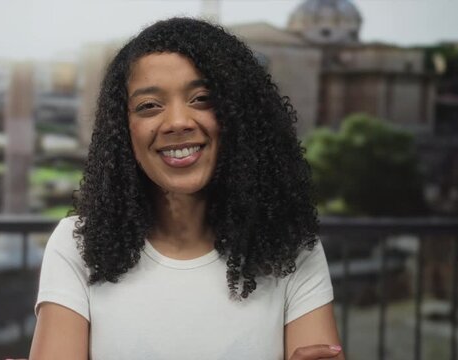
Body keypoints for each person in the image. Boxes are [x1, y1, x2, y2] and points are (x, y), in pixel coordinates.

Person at [28, 17, 344, 360]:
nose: (178, 122)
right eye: (149, 106)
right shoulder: (76, 245)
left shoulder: (292, 249)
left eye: (202, 98)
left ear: (240, 114)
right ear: (123, 129)